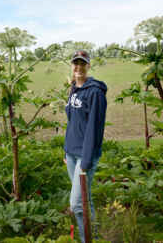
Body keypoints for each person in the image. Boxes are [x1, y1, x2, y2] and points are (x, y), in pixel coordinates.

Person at [64, 50, 107, 242]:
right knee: (85, 200)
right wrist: (66, 150)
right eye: (76, 63)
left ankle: (87, 239)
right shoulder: (73, 88)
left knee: (76, 204)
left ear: (88, 66)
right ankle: (92, 238)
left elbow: (94, 129)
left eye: (83, 63)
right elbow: (72, 122)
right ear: (72, 66)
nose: (79, 67)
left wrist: (87, 161)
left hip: (84, 156)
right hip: (71, 154)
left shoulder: (95, 93)